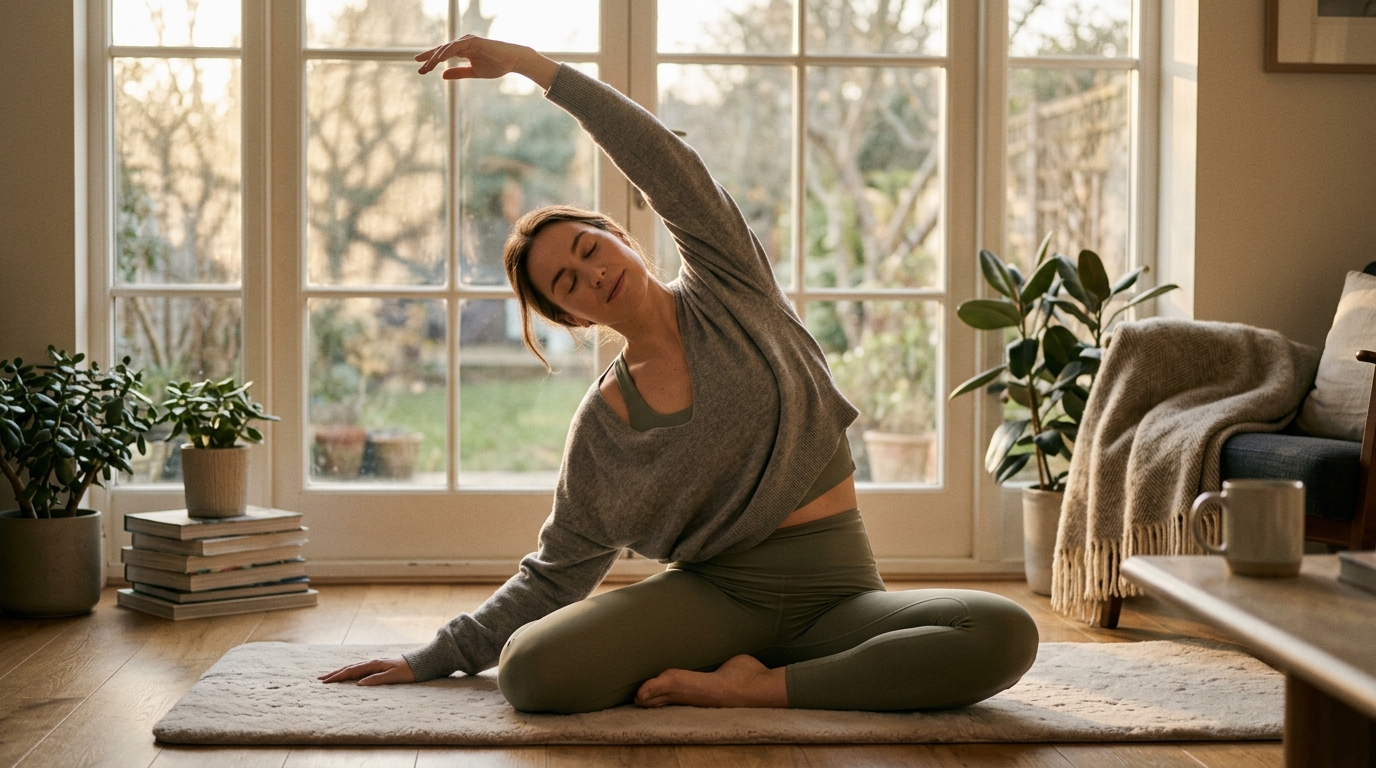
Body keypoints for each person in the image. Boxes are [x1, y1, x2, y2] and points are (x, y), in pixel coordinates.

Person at [320, 35, 1039, 714]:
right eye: (567, 282)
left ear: (623, 238)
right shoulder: (604, 426)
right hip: (716, 603)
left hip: (840, 590)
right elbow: (558, 568)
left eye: (588, 247)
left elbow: (662, 159)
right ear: (571, 318)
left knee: (1005, 633)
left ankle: (755, 690)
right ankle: (778, 677)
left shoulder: (732, 286)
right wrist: (435, 656)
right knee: (531, 673)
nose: (591, 274)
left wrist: (533, 67)